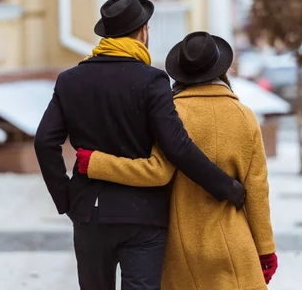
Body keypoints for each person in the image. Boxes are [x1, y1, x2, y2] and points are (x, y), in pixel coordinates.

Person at [34, 0, 246, 290]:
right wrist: (227, 187)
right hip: (143, 218)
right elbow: (177, 146)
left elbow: (44, 142)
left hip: (89, 213)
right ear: (143, 32)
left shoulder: (70, 80)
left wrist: (66, 198)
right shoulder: (151, 80)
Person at [75, 32, 277, 290]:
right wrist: (265, 250)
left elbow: (156, 172)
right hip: (235, 244)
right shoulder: (245, 117)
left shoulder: (170, 114)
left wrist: (95, 163)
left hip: (181, 249)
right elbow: (258, 190)